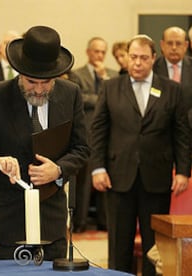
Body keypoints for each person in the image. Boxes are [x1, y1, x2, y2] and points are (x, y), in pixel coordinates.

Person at [0, 25, 89, 260]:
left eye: (46, 83)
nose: (38, 90)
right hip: (5, 222)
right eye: (31, 82)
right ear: (19, 73)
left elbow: (82, 148)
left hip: (51, 222)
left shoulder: (71, 94)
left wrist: (58, 169)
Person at [91, 34, 191, 275]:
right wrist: (97, 167)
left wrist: (184, 172)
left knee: (154, 245)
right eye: (133, 57)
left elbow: (182, 134)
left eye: (143, 58)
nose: (137, 63)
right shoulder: (111, 87)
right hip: (117, 176)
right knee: (119, 243)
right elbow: (98, 130)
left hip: (156, 176)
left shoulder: (172, 90)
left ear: (154, 59)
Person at [70, 37, 118, 233]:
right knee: (84, 182)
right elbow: (79, 98)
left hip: (111, 135)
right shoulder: (76, 74)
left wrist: (104, 78)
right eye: (96, 51)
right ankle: (80, 222)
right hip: (87, 133)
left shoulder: (112, 75)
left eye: (102, 52)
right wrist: (102, 98)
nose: (99, 55)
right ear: (88, 52)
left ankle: (104, 222)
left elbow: (115, 99)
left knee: (106, 180)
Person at [153, 26, 192, 156]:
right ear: (162, 45)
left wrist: (185, 122)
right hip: (158, 135)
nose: (174, 47)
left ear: (186, 45)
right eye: (169, 43)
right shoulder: (152, 69)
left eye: (178, 43)